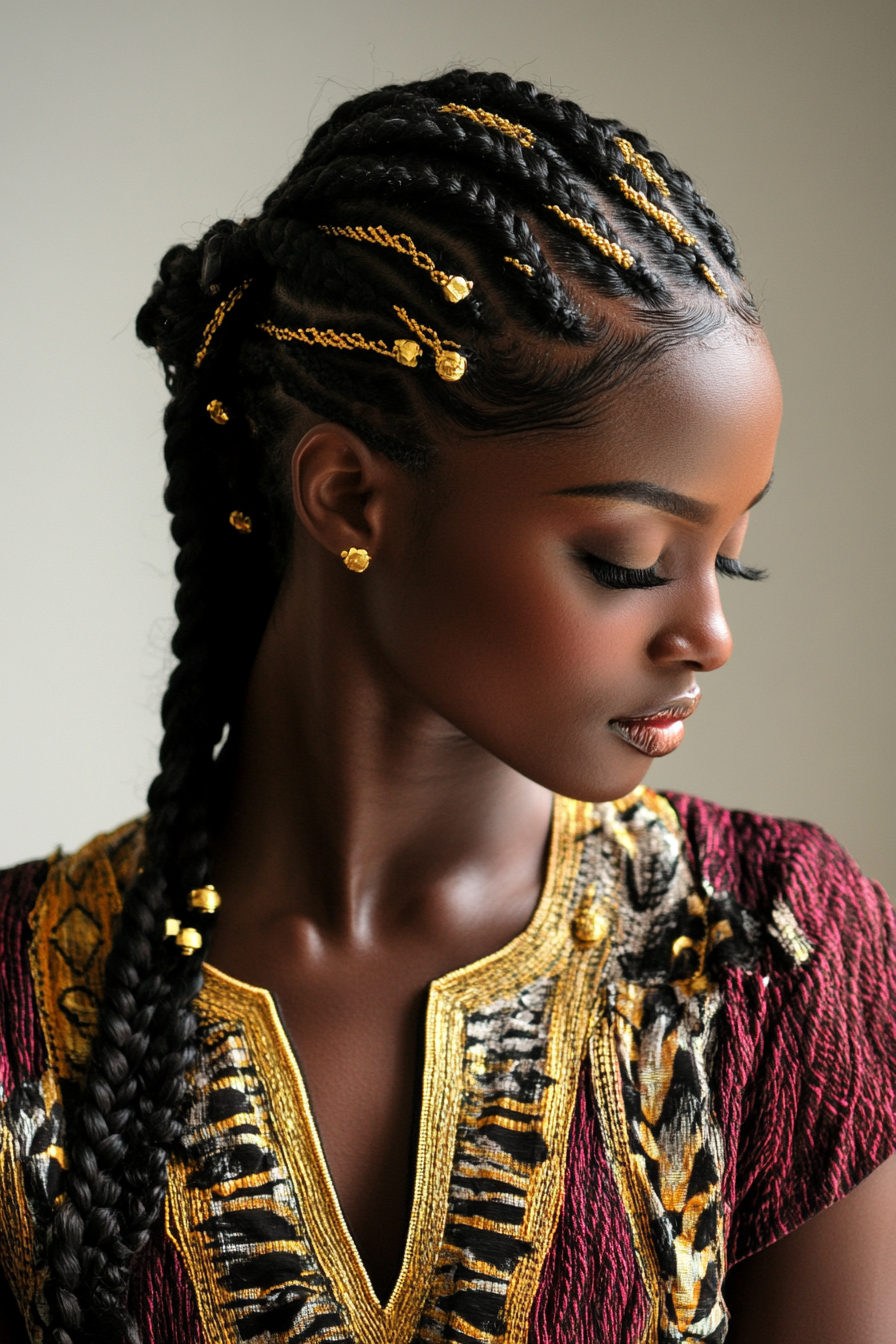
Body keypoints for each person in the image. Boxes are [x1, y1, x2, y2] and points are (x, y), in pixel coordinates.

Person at [0, 68, 893, 1344]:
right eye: (630, 559)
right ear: (352, 499)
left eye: (728, 557)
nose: (707, 632)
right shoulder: (16, 1003)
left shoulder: (773, 954)